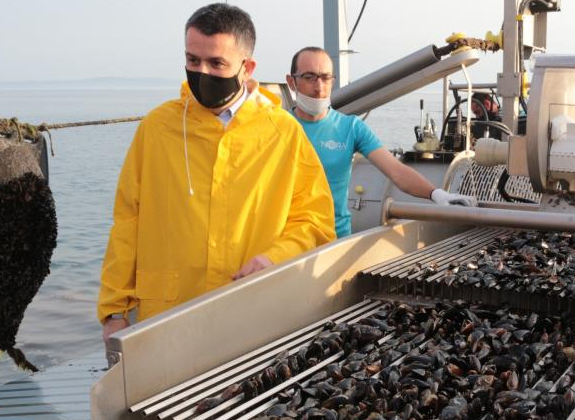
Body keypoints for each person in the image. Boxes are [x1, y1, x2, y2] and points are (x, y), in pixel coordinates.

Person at [98, 6, 336, 344]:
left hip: (251, 314)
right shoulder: (157, 128)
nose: (202, 72)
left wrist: (275, 257)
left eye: (216, 63)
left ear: (247, 67)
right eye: (193, 60)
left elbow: (315, 221)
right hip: (165, 318)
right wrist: (114, 311)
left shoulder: (283, 132)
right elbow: (127, 221)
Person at [286, 47, 476, 239]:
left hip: (333, 237)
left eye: (325, 77)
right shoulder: (277, 127)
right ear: (291, 82)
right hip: (288, 239)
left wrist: (437, 194)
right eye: (309, 77)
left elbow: (397, 171)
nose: (319, 87)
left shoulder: (350, 127)